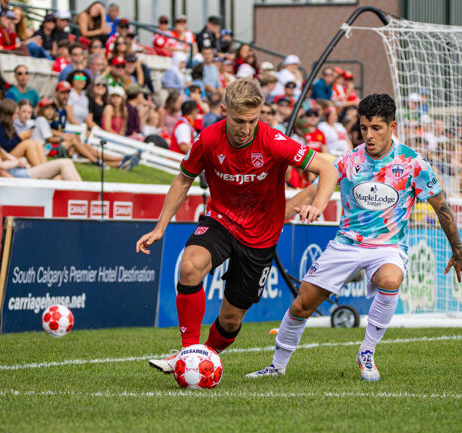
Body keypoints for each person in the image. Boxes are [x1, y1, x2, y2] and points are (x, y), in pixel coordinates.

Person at [246, 93, 462, 381]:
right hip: (346, 244)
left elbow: (442, 208)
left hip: (388, 247)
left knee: (390, 279)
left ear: (393, 127)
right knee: (302, 304)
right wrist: (272, 221)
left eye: (376, 128)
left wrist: (458, 249)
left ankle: (367, 351)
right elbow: (313, 191)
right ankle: (276, 367)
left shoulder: (413, 163)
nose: (369, 135)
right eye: (364, 128)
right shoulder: (350, 159)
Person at [138, 78, 339, 373]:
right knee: (190, 267)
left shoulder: (273, 141)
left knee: (231, 321)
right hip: (221, 221)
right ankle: (187, 353)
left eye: (252, 120)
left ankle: (200, 357)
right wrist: (160, 227)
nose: (246, 129)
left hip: (260, 235)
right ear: (223, 110)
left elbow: (328, 168)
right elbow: (183, 179)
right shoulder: (207, 139)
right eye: (239, 120)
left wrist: (316, 206)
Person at [0, 122, 82, 181]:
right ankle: (82, 193)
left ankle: (83, 190)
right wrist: (17, 162)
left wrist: (21, 161)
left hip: (22, 171)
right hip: (20, 175)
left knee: (68, 162)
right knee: (63, 163)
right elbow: (1, 166)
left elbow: (10, 157)